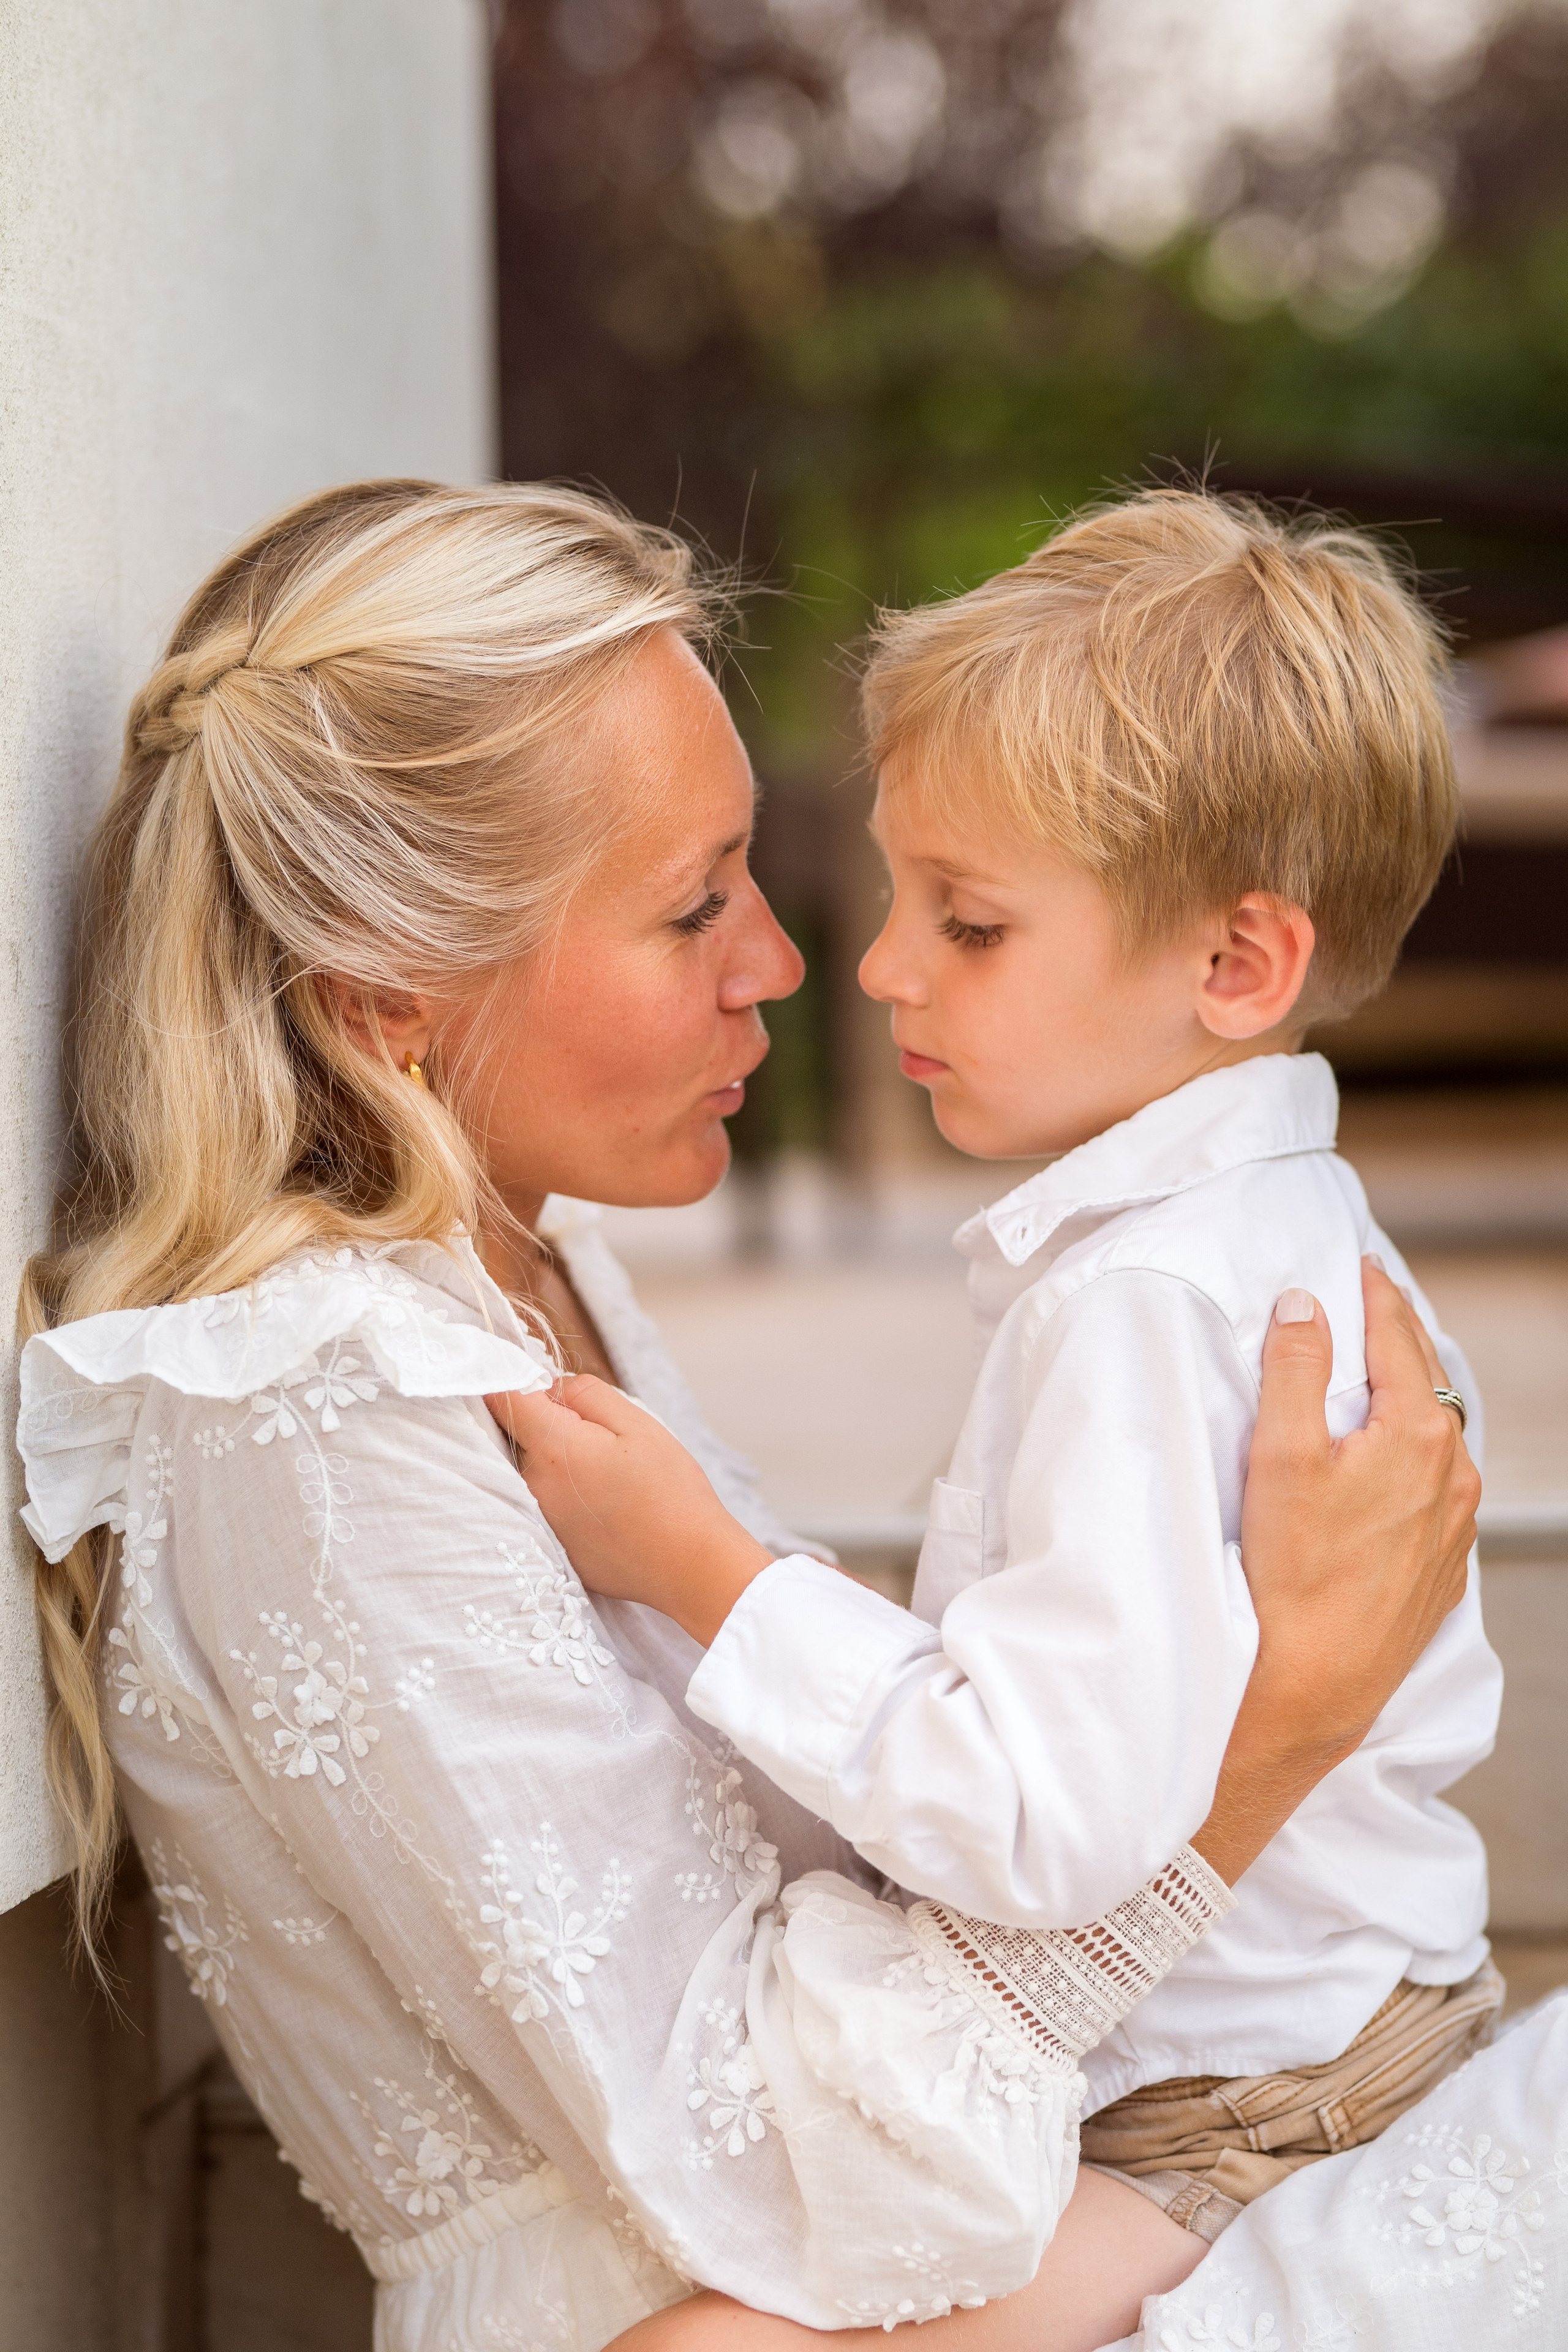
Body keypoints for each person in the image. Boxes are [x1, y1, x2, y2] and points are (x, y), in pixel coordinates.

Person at [17, 480, 1482, 2352]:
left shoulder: (539, 1279)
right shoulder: (322, 1404)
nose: (796, 965)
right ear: (392, 994)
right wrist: (1283, 1736)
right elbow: (772, 2173)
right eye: (696, 903)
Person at [510, 492, 1506, 2293]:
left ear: (1235, 965)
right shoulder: (1277, 1229)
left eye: (967, 922)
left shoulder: (1144, 1298)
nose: (881, 964)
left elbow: (1043, 1819)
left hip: (1226, 2100)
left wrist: (704, 1571)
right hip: (1359, 2004)